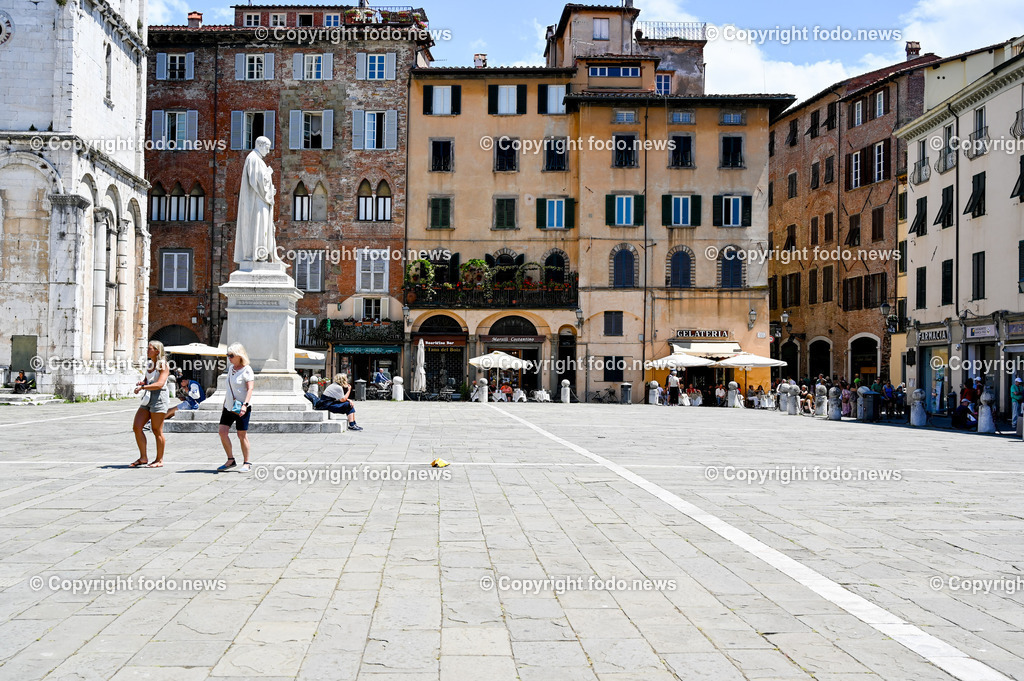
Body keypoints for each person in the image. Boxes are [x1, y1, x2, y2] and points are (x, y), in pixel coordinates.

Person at [130, 341, 172, 468]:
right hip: (148, 397)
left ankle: (159, 460)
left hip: (159, 397)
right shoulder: (150, 364)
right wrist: (142, 383)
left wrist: (143, 388)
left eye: (150, 349)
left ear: (157, 351)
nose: (147, 351)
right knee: (137, 427)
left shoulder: (163, 365)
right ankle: (143, 457)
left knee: (156, 430)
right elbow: (148, 379)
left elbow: (160, 384)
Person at [218, 343, 255, 472]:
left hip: (241, 406)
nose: (229, 358)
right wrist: (224, 404)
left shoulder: (247, 370)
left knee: (241, 435)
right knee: (222, 432)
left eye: (231, 355)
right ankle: (230, 460)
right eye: (228, 355)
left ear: (239, 356)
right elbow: (229, 389)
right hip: (229, 406)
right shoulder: (230, 369)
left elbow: (250, 389)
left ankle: (247, 462)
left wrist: (245, 405)